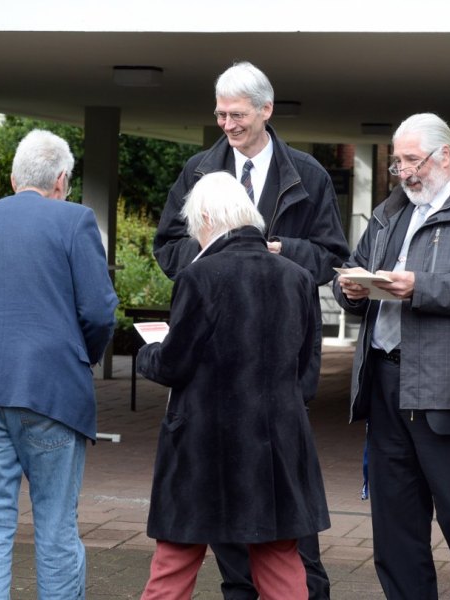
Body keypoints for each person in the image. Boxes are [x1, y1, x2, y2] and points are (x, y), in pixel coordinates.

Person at [153, 60, 348, 600]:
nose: (226, 124)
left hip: (272, 362)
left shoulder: (307, 173)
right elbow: (167, 247)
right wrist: (221, 253)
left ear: (266, 110)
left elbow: (332, 256)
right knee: (236, 530)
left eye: (237, 113)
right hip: (213, 364)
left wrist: (277, 253)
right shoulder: (197, 169)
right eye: (219, 113)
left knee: (281, 529)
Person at [333, 112, 450, 599]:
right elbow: (356, 271)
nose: (404, 172)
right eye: (398, 163)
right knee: (394, 524)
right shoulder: (390, 211)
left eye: (412, 160)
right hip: (386, 381)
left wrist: (420, 287)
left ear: (445, 157)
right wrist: (351, 289)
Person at [0, 129, 118, 600]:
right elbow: (97, 312)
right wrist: (80, 356)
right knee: (55, 527)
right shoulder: (75, 221)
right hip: (54, 392)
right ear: (61, 179)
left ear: (13, 179)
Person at [137, 171, 330, 600]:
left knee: (175, 561)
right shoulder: (297, 277)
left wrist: (147, 352)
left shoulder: (198, 277)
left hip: (203, 445)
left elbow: (173, 364)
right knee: (280, 562)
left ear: (206, 217)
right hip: (277, 443)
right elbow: (308, 374)